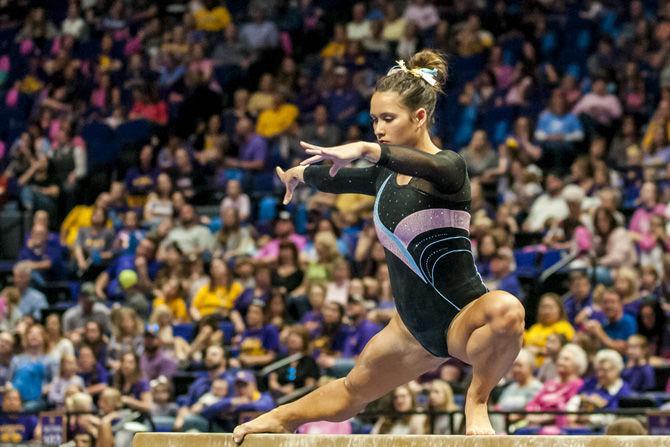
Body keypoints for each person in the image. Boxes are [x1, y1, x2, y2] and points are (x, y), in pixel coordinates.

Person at [234, 50, 525, 441]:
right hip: (409, 328)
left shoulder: (449, 168)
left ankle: (476, 401)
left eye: (388, 118)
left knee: (507, 310)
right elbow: (338, 178)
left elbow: (410, 162)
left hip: (463, 317)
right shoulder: (382, 178)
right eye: (374, 120)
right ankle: (280, 417)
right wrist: (300, 174)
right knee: (352, 391)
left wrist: (367, 149)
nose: (378, 128)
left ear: (419, 117)